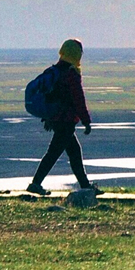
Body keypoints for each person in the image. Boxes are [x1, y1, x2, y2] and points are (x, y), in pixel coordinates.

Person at [27, 39, 99, 195]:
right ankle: (36, 183)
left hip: (56, 119)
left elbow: (51, 96)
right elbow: (78, 99)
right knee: (54, 153)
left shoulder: (55, 71)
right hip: (65, 120)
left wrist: (49, 118)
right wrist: (86, 121)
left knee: (74, 151)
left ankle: (85, 185)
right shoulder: (71, 74)